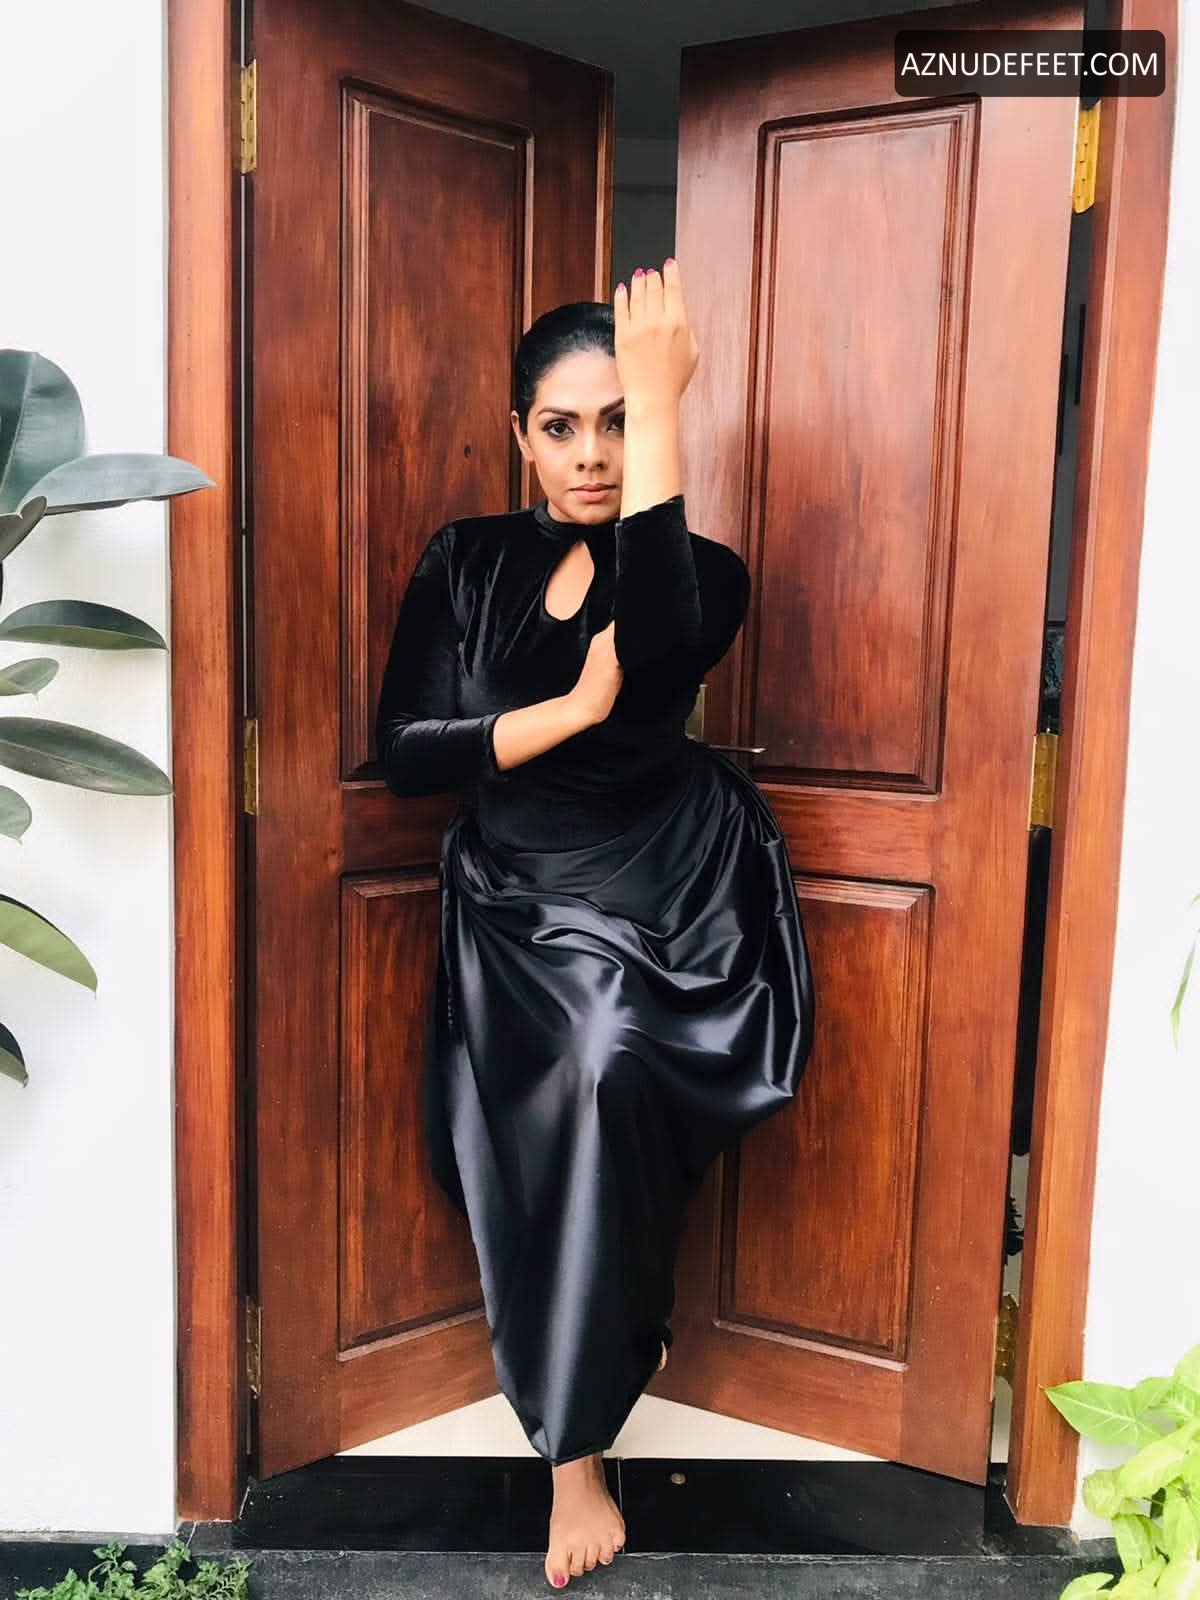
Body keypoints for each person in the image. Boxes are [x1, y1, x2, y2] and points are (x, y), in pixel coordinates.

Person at [375, 261, 815, 1588]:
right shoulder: (465, 558)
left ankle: (587, 1420)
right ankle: (585, 1420)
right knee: (557, 1113)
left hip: (666, 883)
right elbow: (404, 751)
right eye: (563, 427)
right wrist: (566, 711)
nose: (593, 455)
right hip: (516, 890)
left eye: (620, 423)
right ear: (520, 434)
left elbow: (663, 643)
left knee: (610, 1070)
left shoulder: (705, 570)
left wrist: (668, 407)